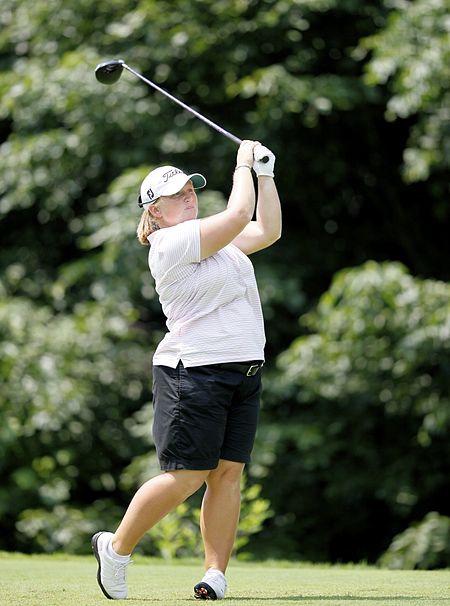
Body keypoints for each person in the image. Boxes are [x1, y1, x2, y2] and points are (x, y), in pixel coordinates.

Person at [92, 140, 281, 600]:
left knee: (227, 474)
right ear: (155, 211)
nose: (189, 196)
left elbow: (267, 229)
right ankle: (116, 550)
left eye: (191, 190)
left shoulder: (219, 242)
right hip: (192, 371)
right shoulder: (170, 243)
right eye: (177, 194)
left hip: (243, 370)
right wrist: (241, 163)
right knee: (188, 475)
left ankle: (215, 573)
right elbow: (238, 216)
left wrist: (266, 175)